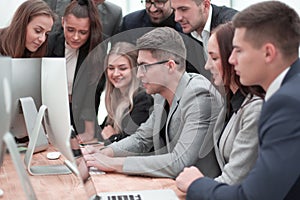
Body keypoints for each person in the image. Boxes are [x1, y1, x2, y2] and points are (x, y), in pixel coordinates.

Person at [176, 1, 300, 199]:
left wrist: (196, 184)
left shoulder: (286, 103)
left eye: (239, 50)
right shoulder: (286, 93)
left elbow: (251, 196)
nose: (232, 60)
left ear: (268, 53)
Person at [83, 27, 222, 179]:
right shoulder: (161, 95)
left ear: (170, 66)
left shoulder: (199, 96)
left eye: (145, 66)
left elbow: (179, 161)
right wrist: (103, 153)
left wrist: (112, 164)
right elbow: (142, 138)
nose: (139, 73)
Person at [176, 21, 265, 188]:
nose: (207, 65)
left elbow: (233, 180)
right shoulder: (229, 101)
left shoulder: (255, 108)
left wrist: (195, 183)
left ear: (234, 59)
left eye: (214, 58)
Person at [46, 0, 103, 143]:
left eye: (83, 32)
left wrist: (89, 132)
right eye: (70, 30)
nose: (76, 37)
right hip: (49, 112)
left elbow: (93, 92)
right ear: (63, 22)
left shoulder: (96, 49)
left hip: (81, 117)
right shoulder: (49, 42)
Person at [100, 41, 153, 145]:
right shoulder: (117, 97)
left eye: (122, 68)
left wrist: (112, 137)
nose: (115, 73)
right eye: (111, 68)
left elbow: (131, 143)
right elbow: (104, 130)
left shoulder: (143, 99)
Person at [171, 0, 237, 61]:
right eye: (174, 10)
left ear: (205, 5)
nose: (177, 18)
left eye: (183, 9)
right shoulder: (180, 29)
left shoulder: (232, 26)